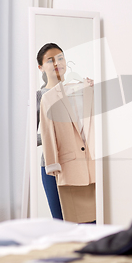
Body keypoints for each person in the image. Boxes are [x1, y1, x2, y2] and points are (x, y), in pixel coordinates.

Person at [36, 43, 93, 220]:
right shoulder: (40, 96)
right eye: (50, 60)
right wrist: (52, 137)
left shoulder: (81, 90)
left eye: (60, 58)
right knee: (61, 221)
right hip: (54, 166)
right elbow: (29, 137)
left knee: (90, 220)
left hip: (82, 164)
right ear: (41, 67)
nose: (57, 63)